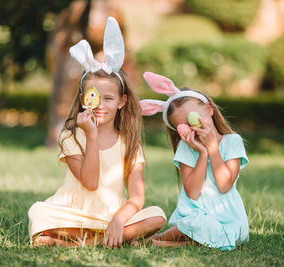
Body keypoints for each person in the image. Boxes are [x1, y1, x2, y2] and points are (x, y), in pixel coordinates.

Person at [28, 18, 166, 248]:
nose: (100, 105)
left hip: (113, 215)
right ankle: (103, 239)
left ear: (122, 102)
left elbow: (137, 197)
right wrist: (91, 135)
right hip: (74, 213)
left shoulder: (129, 141)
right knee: (39, 212)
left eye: (109, 98)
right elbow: (90, 183)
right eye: (94, 97)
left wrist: (119, 220)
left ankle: (82, 242)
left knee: (157, 215)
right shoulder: (71, 137)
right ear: (84, 100)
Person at [140, 72, 249, 250]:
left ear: (209, 109)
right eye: (184, 127)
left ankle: (165, 242)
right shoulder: (187, 148)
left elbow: (224, 185)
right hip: (196, 215)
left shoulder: (232, 141)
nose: (193, 128)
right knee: (197, 222)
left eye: (193, 119)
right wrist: (202, 153)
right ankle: (163, 240)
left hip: (229, 218)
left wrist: (212, 148)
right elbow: (192, 192)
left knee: (221, 230)